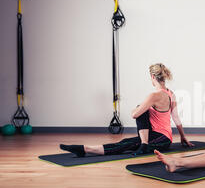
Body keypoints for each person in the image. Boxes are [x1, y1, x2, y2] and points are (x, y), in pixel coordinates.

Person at [60, 63, 193, 157]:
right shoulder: (171, 94)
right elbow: (175, 118)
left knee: (128, 139)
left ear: (153, 77)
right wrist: (183, 137)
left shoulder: (154, 96)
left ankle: (85, 150)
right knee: (128, 142)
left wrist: (136, 109)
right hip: (165, 139)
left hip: (159, 140)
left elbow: (135, 115)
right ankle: (85, 150)